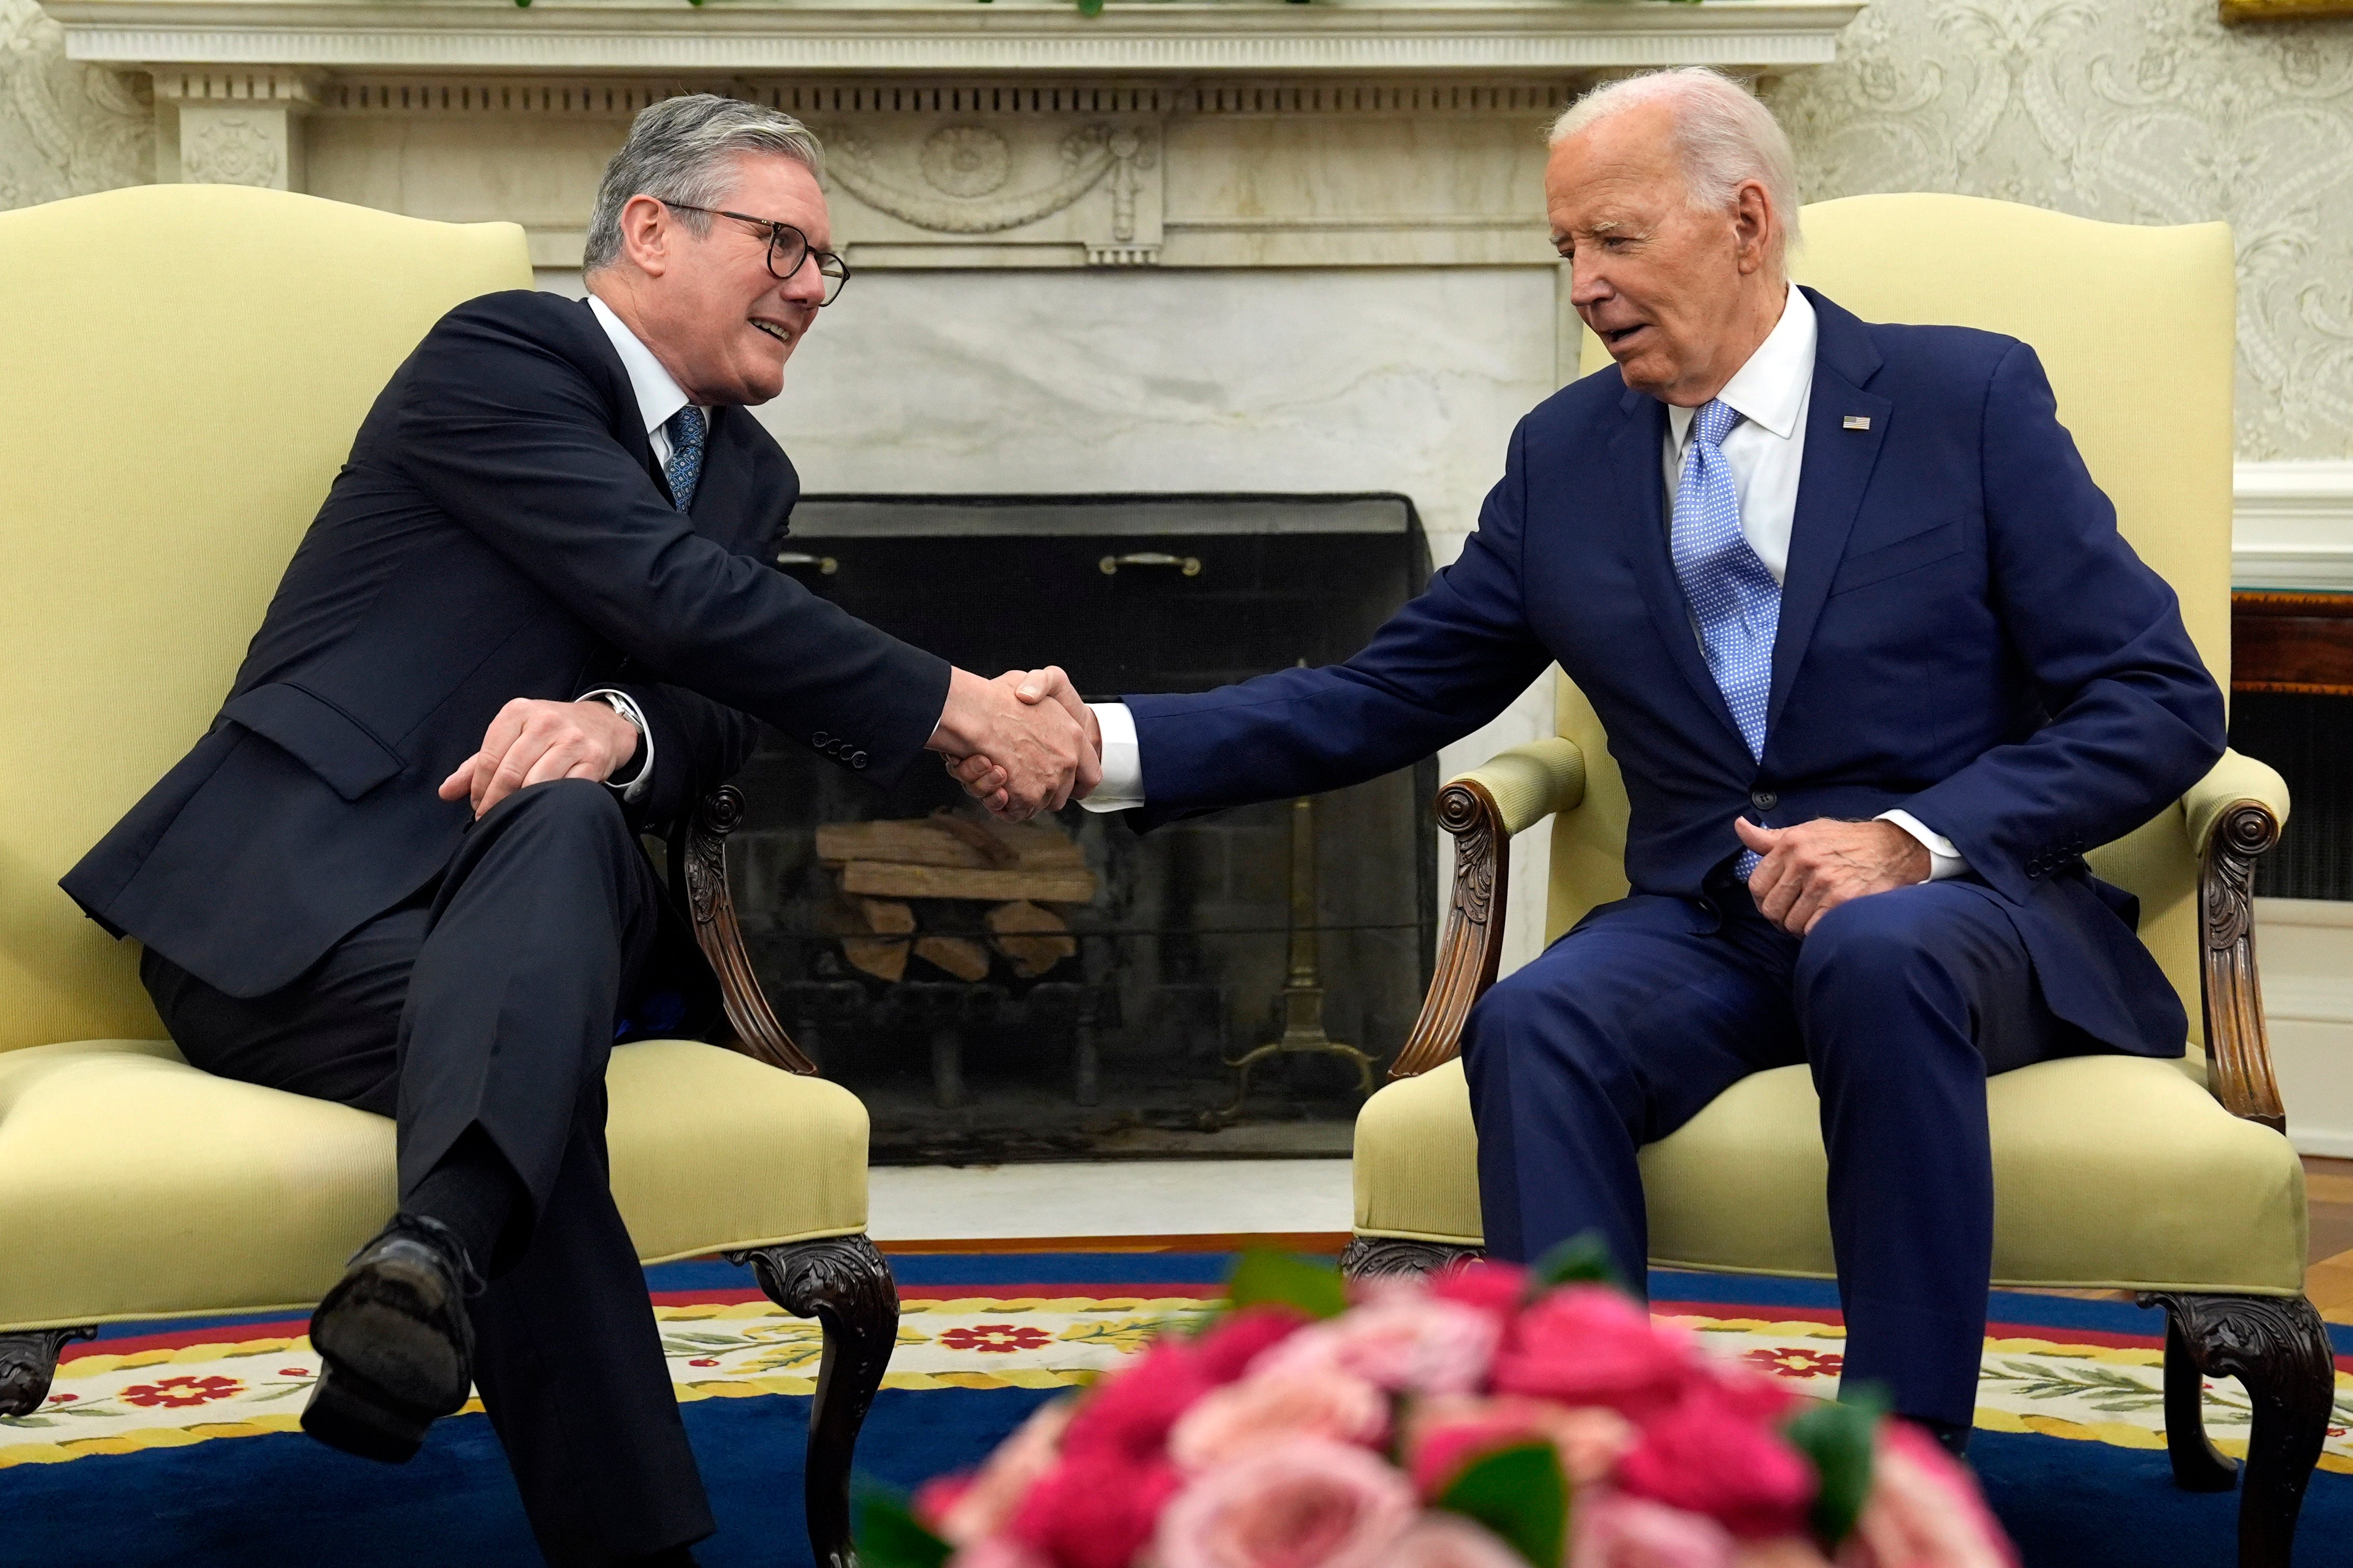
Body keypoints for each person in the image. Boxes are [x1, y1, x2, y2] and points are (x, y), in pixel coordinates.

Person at [959, 68, 2225, 1452]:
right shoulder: (1567, 453)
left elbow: (2155, 698)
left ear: (1747, 222)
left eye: (1614, 240)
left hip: (1959, 919)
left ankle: (1895, 1479)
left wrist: (1912, 841)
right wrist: (1109, 745)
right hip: (1711, 926)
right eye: (1565, 247)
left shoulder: (1959, 398)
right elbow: (1392, 692)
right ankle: (1587, 1462)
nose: (1581, 283)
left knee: (1882, 949)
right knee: (1534, 1020)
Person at [62, 94, 1097, 1567]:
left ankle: (426, 1268)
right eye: (783, 243)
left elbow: (714, 704)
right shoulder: (504, 355)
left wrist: (620, 723)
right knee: (539, 1079)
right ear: (651, 229)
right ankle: (613, 1505)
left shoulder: (747, 474)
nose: (813, 285)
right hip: (290, 919)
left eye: (828, 263)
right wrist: (958, 707)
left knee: (561, 838)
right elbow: (673, 594)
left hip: (522, 913)